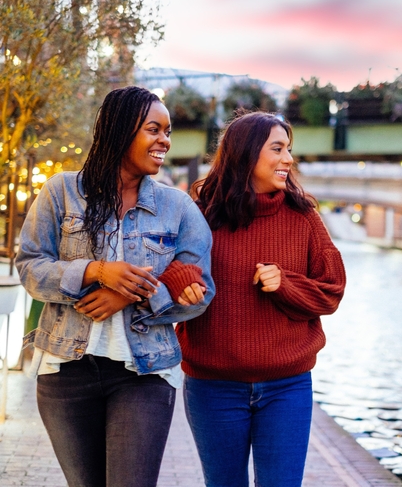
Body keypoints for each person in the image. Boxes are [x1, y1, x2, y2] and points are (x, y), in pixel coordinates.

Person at [15, 86, 215, 487]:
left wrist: (129, 293)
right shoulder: (62, 191)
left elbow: (200, 289)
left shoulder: (178, 208)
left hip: (143, 374)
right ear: (121, 131)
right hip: (65, 370)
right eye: (153, 129)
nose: (165, 141)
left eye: (168, 131)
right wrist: (95, 272)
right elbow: (30, 267)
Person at [160, 111, 346, 487]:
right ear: (246, 154)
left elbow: (332, 291)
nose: (288, 159)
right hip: (213, 386)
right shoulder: (200, 215)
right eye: (277, 148)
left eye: (289, 149)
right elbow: (163, 270)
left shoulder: (304, 217)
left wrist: (286, 285)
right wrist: (180, 278)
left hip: (287, 387)